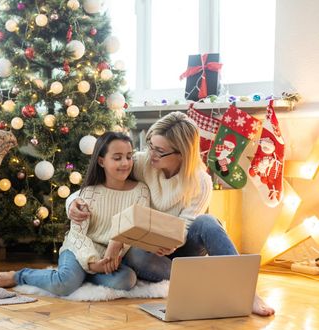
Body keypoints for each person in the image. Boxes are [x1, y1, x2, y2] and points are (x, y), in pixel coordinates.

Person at [67, 112, 275, 316]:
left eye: (159, 150)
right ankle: (201, 282)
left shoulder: (200, 181)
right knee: (135, 253)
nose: (151, 154)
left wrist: (169, 241)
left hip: (179, 246)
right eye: (151, 145)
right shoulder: (141, 163)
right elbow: (102, 184)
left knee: (208, 222)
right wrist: (72, 202)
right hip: (145, 250)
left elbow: (186, 225)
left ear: (182, 153)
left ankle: (248, 293)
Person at [0, 132, 151, 296]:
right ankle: (20, 276)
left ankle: (83, 276)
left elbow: (134, 229)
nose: (125, 163)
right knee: (65, 284)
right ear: (101, 161)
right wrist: (92, 263)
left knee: (126, 280)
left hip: (110, 256)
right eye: (117, 158)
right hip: (78, 250)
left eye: (129, 156)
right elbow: (77, 236)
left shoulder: (140, 192)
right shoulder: (88, 195)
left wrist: (109, 255)